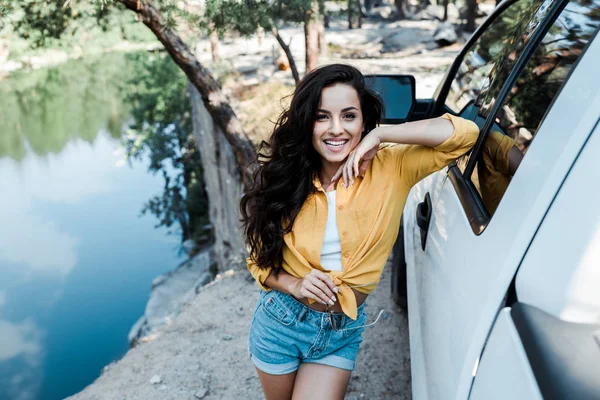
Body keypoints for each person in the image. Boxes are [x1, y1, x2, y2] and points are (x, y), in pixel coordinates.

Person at [240, 64, 479, 400]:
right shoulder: (285, 179)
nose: (336, 129)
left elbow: (466, 134)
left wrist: (383, 135)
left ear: (364, 121)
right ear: (307, 122)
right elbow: (257, 260)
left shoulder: (393, 165)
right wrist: (295, 283)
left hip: (342, 330)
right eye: (322, 117)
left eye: (349, 116)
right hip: (281, 323)